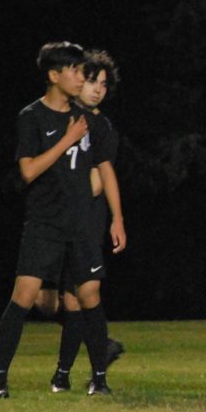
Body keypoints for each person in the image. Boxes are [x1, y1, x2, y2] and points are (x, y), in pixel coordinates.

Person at [0, 42, 118, 398]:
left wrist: (115, 217)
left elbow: (103, 171)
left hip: (81, 225)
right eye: (75, 72)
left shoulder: (91, 120)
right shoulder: (31, 117)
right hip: (44, 222)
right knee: (26, 295)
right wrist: (66, 140)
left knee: (88, 297)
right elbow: (28, 171)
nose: (81, 78)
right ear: (54, 76)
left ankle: (99, 378)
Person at [36, 49, 128, 392]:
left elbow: (97, 179)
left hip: (86, 221)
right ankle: (71, 367)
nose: (97, 89)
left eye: (103, 84)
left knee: (85, 292)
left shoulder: (102, 127)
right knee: (55, 300)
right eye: (91, 81)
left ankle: (92, 374)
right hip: (59, 221)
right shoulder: (64, 118)